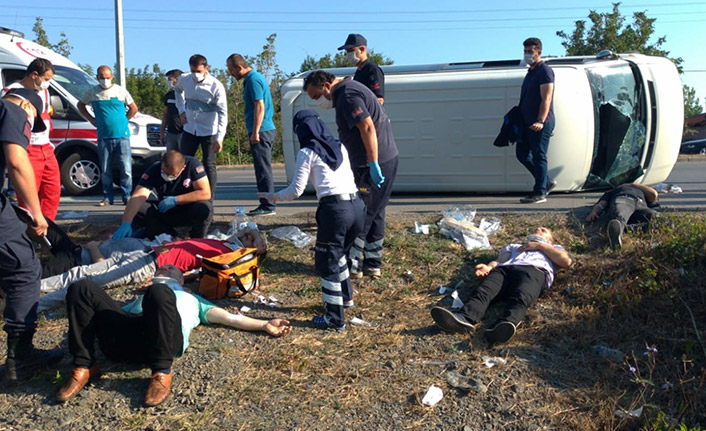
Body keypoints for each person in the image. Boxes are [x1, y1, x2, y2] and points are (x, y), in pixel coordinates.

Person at [56, 265, 291, 406]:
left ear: (184, 283)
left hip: (162, 343)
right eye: (161, 269)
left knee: (159, 293)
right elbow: (97, 320)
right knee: (82, 287)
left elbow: (231, 318)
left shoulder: (193, 300)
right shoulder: (141, 297)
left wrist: (264, 324)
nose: (164, 269)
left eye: (171, 270)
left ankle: (161, 372)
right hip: (123, 340)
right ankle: (84, 366)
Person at [259, 110, 365, 330]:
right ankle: (346, 298)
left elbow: (296, 190)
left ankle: (334, 319)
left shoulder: (308, 151)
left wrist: (273, 197)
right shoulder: (339, 146)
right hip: (357, 206)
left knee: (327, 263)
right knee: (340, 254)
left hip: (335, 209)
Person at [303, 70, 399, 280]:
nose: (319, 101)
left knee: (362, 213)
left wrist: (372, 162)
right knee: (377, 211)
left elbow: (367, 127)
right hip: (387, 157)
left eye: (317, 95)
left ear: (327, 85)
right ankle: (373, 263)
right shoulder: (353, 88)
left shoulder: (346, 95)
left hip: (371, 161)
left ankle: (352, 265)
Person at [38, 225, 266, 312]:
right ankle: (34, 287)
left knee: (89, 281)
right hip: (147, 251)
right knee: (83, 272)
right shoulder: (226, 242)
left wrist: (258, 244)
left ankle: (33, 306)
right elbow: (247, 227)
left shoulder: (229, 255)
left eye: (249, 239)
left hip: (151, 265)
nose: (246, 235)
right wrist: (252, 234)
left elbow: (249, 248)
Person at [1, 88, 62, 381]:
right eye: (33, 118)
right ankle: (20, 357)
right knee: (25, 269)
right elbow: (16, 160)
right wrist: (36, 213)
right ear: (27, 105)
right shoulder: (13, 111)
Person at [431, 227, 572, 343]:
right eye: (536, 229)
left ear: (550, 240)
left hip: (534, 271)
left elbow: (566, 262)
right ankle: (464, 318)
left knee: (522, 296)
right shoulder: (515, 246)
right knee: (484, 291)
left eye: (543, 230)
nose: (538, 230)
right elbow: (499, 260)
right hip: (504, 270)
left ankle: (504, 326)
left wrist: (540, 246)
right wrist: (488, 267)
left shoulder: (554, 248)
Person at [1, 58, 61, 220]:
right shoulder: (12, 91)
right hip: (28, 149)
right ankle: (31, 232)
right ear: (34, 75)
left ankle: (48, 232)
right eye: (46, 80)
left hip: (46, 148)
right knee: (28, 194)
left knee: (52, 192)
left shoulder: (45, 92)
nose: (47, 84)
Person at [112, 150, 213, 241]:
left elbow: (205, 193)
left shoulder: (192, 165)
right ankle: (170, 236)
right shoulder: (155, 169)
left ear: (183, 168)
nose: (167, 177)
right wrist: (126, 222)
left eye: (172, 175)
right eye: (164, 172)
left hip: (188, 209)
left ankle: (197, 239)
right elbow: (138, 196)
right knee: (139, 208)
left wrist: (176, 200)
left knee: (204, 207)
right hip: (166, 210)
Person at [78, 66, 138, 206]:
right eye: (101, 77)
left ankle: (127, 196)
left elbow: (133, 108)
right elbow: (80, 105)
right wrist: (91, 119)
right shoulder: (93, 92)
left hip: (122, 136)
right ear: (97, 77)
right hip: (104, 136)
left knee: (126, 169)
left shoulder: (120, 91)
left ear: (112, 77)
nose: (105, 79)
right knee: (105, 169)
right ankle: (107, 197)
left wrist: (124, 120)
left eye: (107, 77)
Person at [226, 54, 277, 216]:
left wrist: (255, 131)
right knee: (261, 168)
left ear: (239, 67)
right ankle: (266, 203)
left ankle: (268, 205)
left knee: (263, 169)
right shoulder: (252, 79)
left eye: (231, 70)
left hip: (261, 130)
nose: (230, 73)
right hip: (262, 129)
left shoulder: (253, 80)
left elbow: (259, 106)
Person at [174, 54, 227, 198]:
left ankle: (209, 197)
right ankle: (183, 194)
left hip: (209, 130)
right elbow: (177, 90)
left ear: (206, 68)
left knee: (209, 164)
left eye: (198, 71)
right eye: (193, 71)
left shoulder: (216, 86)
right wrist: (181, 111)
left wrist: (219, 138)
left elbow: (223, 113)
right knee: (183, 161)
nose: (196, 75)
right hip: (190, 128)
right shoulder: (185, 79)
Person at [516, 37, 556, 204]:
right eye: (525, 51)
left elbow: (546, 98)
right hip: (526, 122)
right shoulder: (530, 72)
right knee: (522, 154)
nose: (527, 55)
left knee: (539, 156)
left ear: (539, 52)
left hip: (540, 122)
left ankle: (540, 192)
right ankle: (545, 181)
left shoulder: (544, 71)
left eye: (530, 52)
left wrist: (540, 120)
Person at [585, 183, 659, 250]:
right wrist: (594, 212)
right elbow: (601, 204)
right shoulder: (613, 190)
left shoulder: (640, 189)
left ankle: (620, 230)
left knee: (659, 219)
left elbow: (653, 194)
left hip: (640, 205)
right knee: (619, 214)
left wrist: (633, 185)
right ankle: (617, 236)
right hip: (623, 199)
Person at [338, 33, 385, 105]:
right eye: (347, 51)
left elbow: (379, 100)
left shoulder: (372, 70)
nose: (348, 53)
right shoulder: (359, 72)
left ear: (362, 49)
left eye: (351, 50)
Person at [160, 69, 183, 151]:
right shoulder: (169, 95)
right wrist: (162, 131)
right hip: (170, 132)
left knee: (184, 157)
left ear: (177, 80)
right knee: (171, 157)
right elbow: (165, 114)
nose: (168, 82)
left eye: (170, 79)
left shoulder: (186, 94)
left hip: (183, 132)